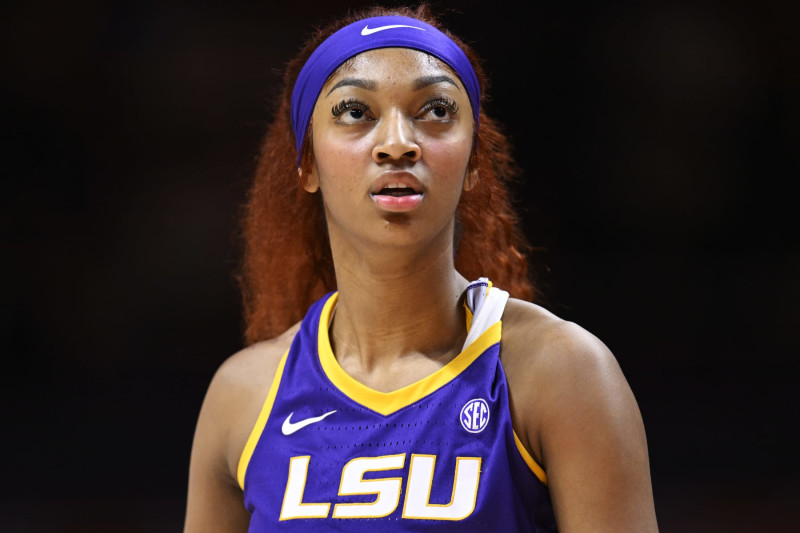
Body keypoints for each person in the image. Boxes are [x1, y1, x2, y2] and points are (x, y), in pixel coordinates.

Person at [184, 3, 659, 532]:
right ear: (308, 163)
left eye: (434, 110)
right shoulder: (244, 397)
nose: (396, 144)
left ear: (474, 161)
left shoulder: (561, 374)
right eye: (355, 112)